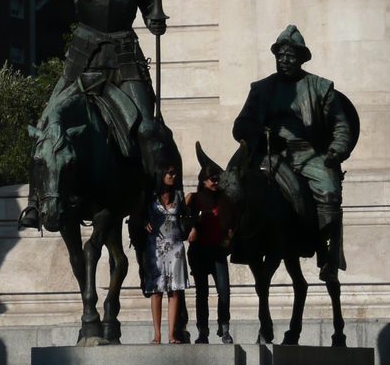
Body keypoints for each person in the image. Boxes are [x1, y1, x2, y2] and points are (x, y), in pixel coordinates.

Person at [0, 0, 179, 226]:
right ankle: (36, 204)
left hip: (125, 59)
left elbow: (151, 10)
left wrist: (156, 19)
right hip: (83, 58)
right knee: (45, 126)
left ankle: (156, 198)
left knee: (149, 129)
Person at [232, 25, 357, 281]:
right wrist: (259, 133)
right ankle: (233, 241)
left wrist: (335, 151)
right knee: (231, 184)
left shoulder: (321, 87)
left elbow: (341, 126)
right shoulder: (261, 89)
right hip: (268, 153)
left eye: (290, 56)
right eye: (280, 56)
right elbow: (240, 125)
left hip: (309, 154)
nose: (284, 61)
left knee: (329, 192)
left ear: (301, 58)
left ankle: (328, 256)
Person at [144, 165, 194, 344]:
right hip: (155, 247)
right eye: (170, 173)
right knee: (156, 292)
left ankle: (171, 334)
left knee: (175, 291)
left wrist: (193, 227)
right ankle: (157, 334)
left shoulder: (179, 195)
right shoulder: (150, 196)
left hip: (175, 247)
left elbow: (188, 214)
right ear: (161, 175)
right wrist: (145, 222)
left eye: (174, 173)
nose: (173, 176)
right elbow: (139, 214)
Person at [186, 162, 234, 345]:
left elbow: (231, 220)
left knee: (224, 291)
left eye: (217, 179)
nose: (216, 182)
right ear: (203, 181)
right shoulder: (194, 198)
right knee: (202, 293)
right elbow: (183, 217)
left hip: (217, 250)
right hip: (199, 251)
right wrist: (192, 227)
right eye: (212, 179)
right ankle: (203, 331)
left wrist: (228, 234)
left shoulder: (223, 199)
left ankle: (225, 327)